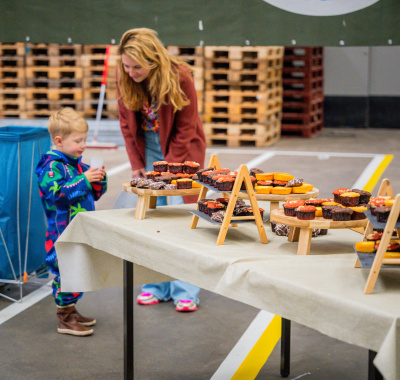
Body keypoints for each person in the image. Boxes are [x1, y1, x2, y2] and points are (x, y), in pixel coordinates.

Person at [117, 28, 206, 312]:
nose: (131, 72)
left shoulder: (180, 77)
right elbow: (127, 127)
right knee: (151, 220)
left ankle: (185, 290)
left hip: (182, 151)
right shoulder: (127, 76)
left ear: (153, 60)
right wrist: (136, 165)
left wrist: (172, 168)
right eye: (126, 66)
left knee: (181, 220)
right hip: (149, 149)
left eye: (137, 67)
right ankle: (154, 285)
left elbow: (186, 127)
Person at [36, 107, 107, 336]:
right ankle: (64, 318)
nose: (83, 145)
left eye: (84, 139)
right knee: (66, 270)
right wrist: (84, 180)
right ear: (59, 140)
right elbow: (57, 194)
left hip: (77, 230)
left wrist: (98, 180)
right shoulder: (52, 167)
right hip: (61, 232)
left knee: (78, 268)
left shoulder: (76, 164)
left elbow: (93, 194)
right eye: (78, 140)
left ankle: (71, 310)